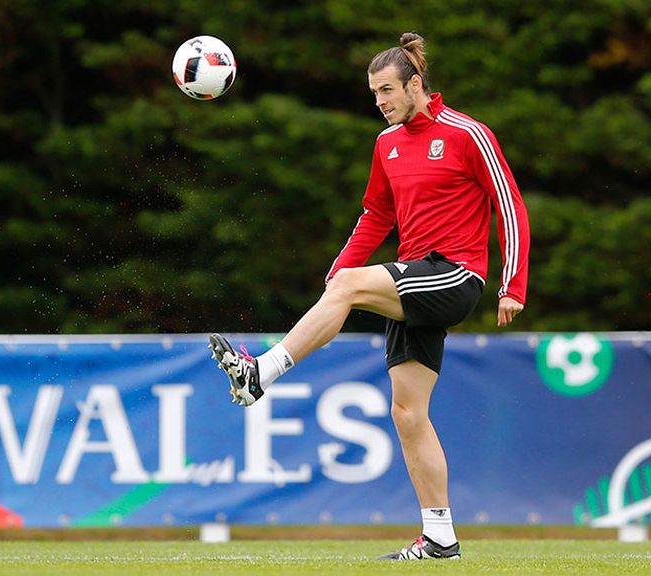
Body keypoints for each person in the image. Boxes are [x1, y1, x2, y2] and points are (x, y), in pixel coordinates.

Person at [209, 32, 530, 561]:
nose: (379, 102)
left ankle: (260, 373)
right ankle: (440, 537)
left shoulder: (468, 134)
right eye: (373, 93)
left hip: (454, 276)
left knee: (355, 287)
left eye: (387, 90)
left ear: (416, 85)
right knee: (407, 413)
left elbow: (510, 206)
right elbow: (376, 215)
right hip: (412, 278)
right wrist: (340, 271)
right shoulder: (385, 144)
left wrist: (511, 284)